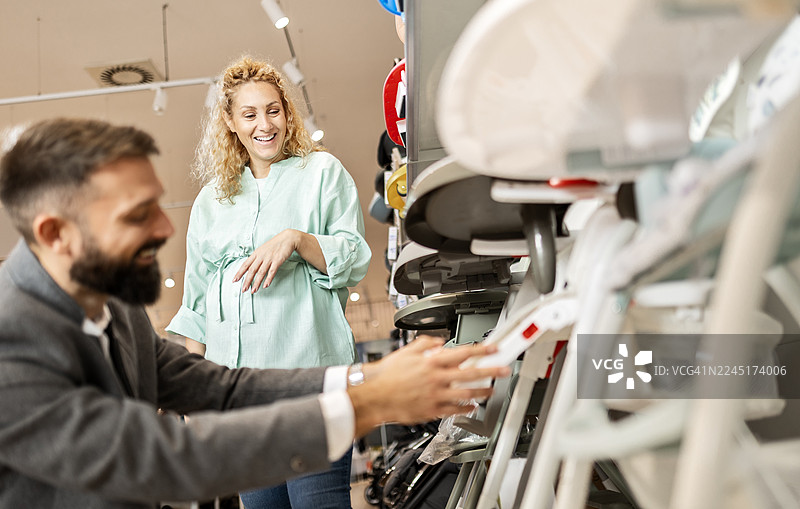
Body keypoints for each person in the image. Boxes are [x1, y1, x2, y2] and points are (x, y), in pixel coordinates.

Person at [0, 117, 509, 509]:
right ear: (55, 234)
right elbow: (159, 456)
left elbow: (224, 389)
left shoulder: (115, 308)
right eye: (138, 215)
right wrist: (369, 402)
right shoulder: (11, 337)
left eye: (158, 205)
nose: (164, 229)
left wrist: (364, 376)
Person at [165, 55, 372, 509]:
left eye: (273, 109)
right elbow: (197, 307)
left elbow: (354, 256)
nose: (265, 124)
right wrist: (188, 394)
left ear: (287, 112)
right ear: (230, 122)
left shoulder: (322, 173)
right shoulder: (211, 200)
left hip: (309, 388)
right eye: (250, 114)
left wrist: (297, 240)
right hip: (240, 402)